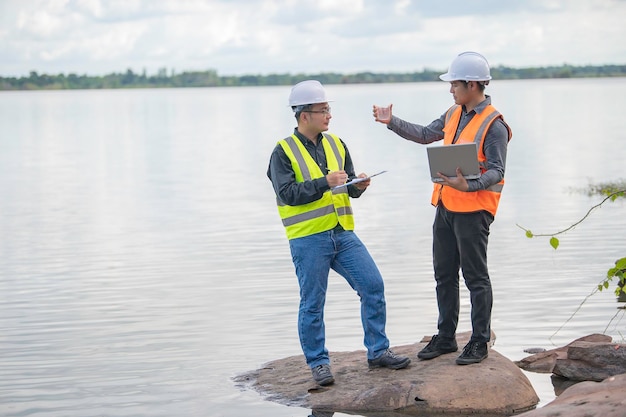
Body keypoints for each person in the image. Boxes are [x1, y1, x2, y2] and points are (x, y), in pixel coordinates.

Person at [372, 52, 512, 365]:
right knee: (443, 275)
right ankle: (446, 337)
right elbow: (424, 135)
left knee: (476, 278)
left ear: (472, 84)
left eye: (454, 84)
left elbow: (496, 170)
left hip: (474, 211)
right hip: (446, 206)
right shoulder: (453, 113)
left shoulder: (495, 125)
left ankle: (479, 341)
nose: (450, 90)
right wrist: (390, 122)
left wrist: (470, 186)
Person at [268, 80, 410, 386]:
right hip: (308, 238)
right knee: (312, 302)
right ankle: (318, 363)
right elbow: (288, 193)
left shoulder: (336, 144)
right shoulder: (282, 152)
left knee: (373, 285)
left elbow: (345, 188)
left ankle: (378, 351)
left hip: (342, 232)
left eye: (329, 108)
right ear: (304, 115)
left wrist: (358, 185)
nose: (329, 115)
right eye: (323, 110)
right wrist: (324, 182)